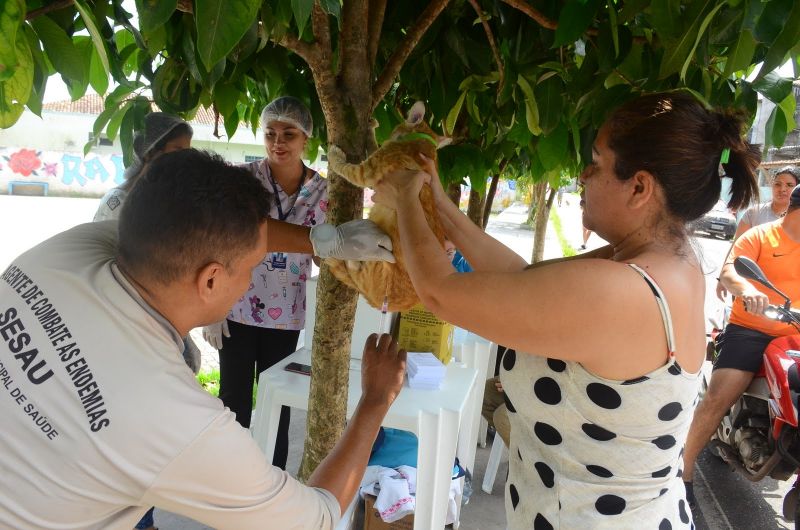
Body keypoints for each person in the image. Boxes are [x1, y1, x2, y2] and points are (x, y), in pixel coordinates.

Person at [374, 92, 760, 528]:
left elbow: (441, 293)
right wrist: (440, 205)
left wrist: (406, 196)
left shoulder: (620, 292)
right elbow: (525, 277)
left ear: (639, 187)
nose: (583, 174)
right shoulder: (665, 261)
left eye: (596, 162)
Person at [0, 149, 402, 529]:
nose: (249, 280)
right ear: (211, 279)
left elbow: (212, 227)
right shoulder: (174, 418)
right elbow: (319, 516)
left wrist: (321, 240)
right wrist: (374, 400)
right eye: (251, 266)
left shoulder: (61, 253)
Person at [201, 96, 326, 470]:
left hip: (286, 318)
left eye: (289, 134)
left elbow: (327, 256)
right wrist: (212, 308)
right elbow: (217, 240)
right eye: (270, 133)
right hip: (236, 310)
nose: (278, 142)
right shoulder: (242, 180)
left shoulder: (324, 192)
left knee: (279, 408)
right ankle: (230, 484)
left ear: (306, 139)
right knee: (232, 404)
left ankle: (271, 487)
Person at [92, 112, 195, 530]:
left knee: (146, 441)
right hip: (118, 339)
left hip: (156, 338)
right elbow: (103, 273)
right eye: (173, 153)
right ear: (147, 154)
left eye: (187, 154)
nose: (181, 163)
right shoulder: (120, 203)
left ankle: (145, 520)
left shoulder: (174, 199)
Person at [682, 183, 800, 508]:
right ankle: (683, 473)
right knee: (719, 396)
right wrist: (746, 290)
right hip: (752, 330)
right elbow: (731, 271)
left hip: (794, 335)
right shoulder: (761, 236)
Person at [715, 166, 799, 301]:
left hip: (785, 294)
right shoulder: (754, 213)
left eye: (789, 185)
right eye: (777, 184)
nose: (782, 189)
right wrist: (723, 278)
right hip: (748, 289)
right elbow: (735, 248)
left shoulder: (796, 220)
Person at [94, 112, 193, 222]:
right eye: (178, 149)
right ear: (149, 151)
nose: (185, 157)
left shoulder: (163, 197)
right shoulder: (117, 202)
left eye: (187, 151)